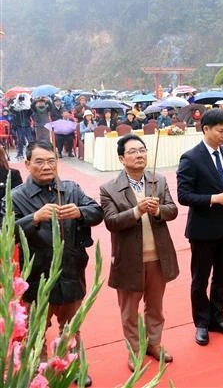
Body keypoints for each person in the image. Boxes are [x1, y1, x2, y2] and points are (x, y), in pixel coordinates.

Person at [2, 141, 103, 387]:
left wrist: (79, 212)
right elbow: (5, 232)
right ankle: (40, 372)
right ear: (27, 164)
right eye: (39, 161)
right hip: (36, 277)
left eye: (51, 161)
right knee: (36, 331)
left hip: (71, 270)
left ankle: (73, 366)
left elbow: (97, 212)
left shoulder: (70, 189)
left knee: (71, 328)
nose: (46, 167)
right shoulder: (16, 197)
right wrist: (33, 218)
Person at [100, 134, 179, 370]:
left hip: (158, 256)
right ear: (122, 159)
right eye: (133, 151)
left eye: (142, 150)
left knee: (155, 306)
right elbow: (111, 222)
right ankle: (134, 350)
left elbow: (172, 210)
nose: (139, 155)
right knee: (129, 311)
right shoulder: (109, 189)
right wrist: (136, 211)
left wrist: (157, 211)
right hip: (128, 259)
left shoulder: (159, 180)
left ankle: (154, 343)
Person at [176, 109, 223, 346]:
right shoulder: (190, 158)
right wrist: (215, 198)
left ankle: (217, 317)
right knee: (200, 279)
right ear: (206, 129)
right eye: (221, 131)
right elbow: (183, 196)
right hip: (203, 230)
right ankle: (202, 323)